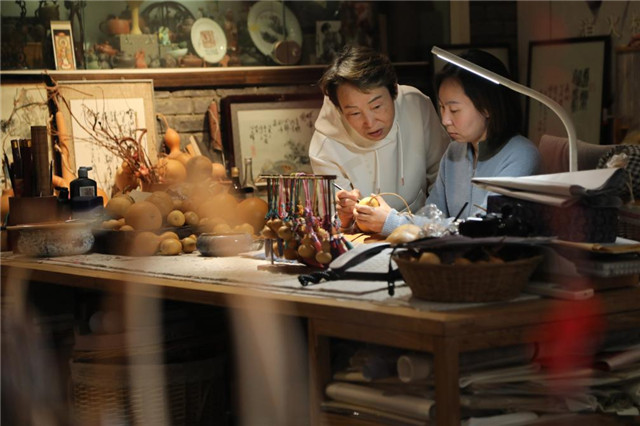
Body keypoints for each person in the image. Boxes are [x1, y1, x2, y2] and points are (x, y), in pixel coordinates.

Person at [356, 49, 541, 235]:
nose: (445, 120)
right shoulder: (454, 152)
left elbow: (481, 230)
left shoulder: (521, 156)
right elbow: (431, 217)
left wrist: (393, 221)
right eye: (442, 107)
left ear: (487, 107)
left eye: (454, 110)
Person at [309, 46, 450, 232]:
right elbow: (334, 223)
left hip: (422, 231)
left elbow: (442, 179)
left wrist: (427, 227)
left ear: (394, 92)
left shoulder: (416, 106)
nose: (370, 123)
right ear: (340, 110)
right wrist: (344, 217)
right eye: (355, 113)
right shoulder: (326, 144)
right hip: (364, 238)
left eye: (376, 107)